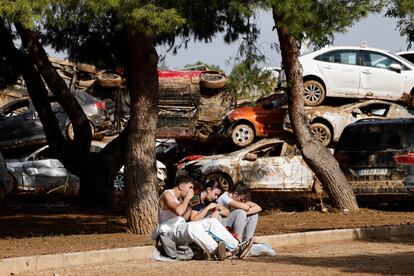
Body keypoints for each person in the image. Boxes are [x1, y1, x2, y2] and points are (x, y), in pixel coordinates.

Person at [152, 175, 253, 260]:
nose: (191, 190)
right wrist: (188, 199)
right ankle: (216, 250)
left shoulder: (180, 198)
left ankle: (236, 248)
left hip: (179, 228)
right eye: (190, 187)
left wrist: (190, 205)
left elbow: (183, 217)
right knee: (192, 227)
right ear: (181, 186)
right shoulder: (167, 194)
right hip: (168, 231)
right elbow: (178, 211)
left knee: (211, 222)